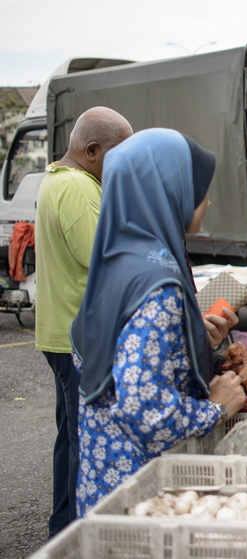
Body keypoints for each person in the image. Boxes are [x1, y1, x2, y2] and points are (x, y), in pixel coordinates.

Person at [70, 129, 247, 515]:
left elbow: (119, 359)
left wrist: (188, 341)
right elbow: (142, 407)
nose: (206, 201)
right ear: (166, 191)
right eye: (198, 190)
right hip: (146, 495)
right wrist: (215, 409)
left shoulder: (115, 260)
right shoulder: (159, 285)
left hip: (102, 484)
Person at [34, 106, 133, 536]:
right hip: (77, 337)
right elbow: (104, 262)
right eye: (119, 153)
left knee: (69, 439)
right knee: (82, 444)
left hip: (59, 331)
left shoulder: (56, 179)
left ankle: (61, 528)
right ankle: (73, 535)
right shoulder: (78, 188)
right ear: (92, 150)